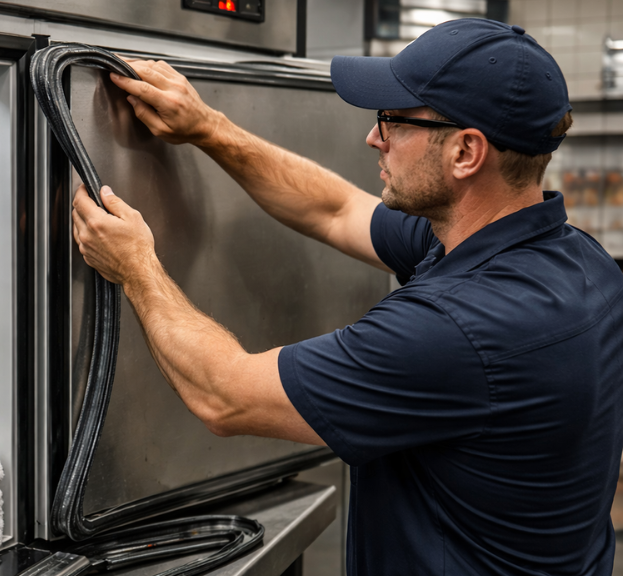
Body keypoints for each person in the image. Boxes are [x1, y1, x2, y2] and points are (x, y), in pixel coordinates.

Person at [70, 18, 623, 576]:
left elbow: (224, 395)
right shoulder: (573, 260)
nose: (373, 137)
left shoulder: (458, 327)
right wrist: (209, 128)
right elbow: (335, 210)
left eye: (393, 121)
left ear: (465, 153)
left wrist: (137, 266)